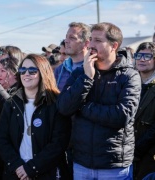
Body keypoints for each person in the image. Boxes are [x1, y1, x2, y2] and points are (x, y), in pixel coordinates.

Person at [56, 22, 141, 179]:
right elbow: (63, 107)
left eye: (98, 40)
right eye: (90, 39)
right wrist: (87, 78)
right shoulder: (81, 72)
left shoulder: (129, 76)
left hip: (114, 165)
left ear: (114, 45)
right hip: (81, 162)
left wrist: (82, 107)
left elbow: (121, 116)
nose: (91, 44)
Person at [0, 54, 71, 179]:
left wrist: (32, 168)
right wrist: (17, 165)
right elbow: (1, 139)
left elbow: (59, 143)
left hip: (47, 173)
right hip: (16, 173)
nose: (26, 74)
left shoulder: (56, 103)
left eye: (32, 70)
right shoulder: (11, 103)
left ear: (43, 72)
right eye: (22, 70)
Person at [133, 42, 155, 179]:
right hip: (127, 152)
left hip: (148, 155)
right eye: (139, 55)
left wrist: (139, 148)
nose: (141, 59)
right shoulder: (129, 83)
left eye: (147, 56)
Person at [54, 22, 90, 91]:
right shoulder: (60, 69)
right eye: (66, 37)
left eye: (72, 38)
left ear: (86, 43)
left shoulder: (95, 67)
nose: (66, 41)